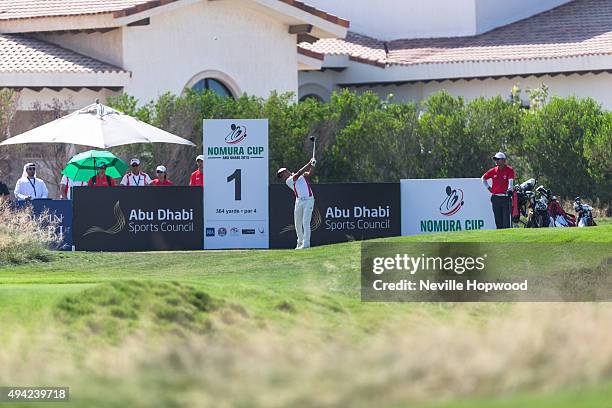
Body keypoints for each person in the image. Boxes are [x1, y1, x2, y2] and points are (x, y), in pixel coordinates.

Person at [277, 158, 316, 249]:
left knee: (305, 222)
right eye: (282, 176)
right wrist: (310, 163)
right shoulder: (289, 181)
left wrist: (313, 165)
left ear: (287, 171)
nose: (283, 176)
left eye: (283, 173)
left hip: (308, 200)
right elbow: (299, 173)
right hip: (299, 201)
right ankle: (299, 243)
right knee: (297, 224)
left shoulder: (300, 176)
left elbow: (310, 174)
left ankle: (306, 244)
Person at [481, 152, 515, 229]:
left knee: (506, 221)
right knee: (498, 221)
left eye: (498, 159)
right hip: (495, 198)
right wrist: (488, 187)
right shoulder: (493, 170)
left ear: (503, 160)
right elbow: (483, 178)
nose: (496, 161)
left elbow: (510, 182)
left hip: (505, 198)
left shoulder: (509, 170)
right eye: (495, 159)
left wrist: (510, 189)